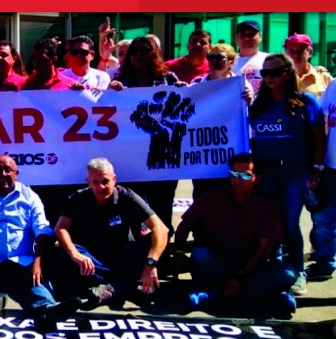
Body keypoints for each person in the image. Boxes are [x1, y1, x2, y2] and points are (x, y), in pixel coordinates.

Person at [0, 155, 80, 327]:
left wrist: (38, 262)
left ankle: (46, 309)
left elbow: (42, 229)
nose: (2, 174)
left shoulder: (30, 197)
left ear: (16, 173)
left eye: (8, 170)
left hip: (21, 262)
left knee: (37, 278)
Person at [174, 153, 296, 319]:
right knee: (199, 256)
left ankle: (214, 297)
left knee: (288, 274)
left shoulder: (267, 206)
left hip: (250, 268)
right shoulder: (211, 196)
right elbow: (184, 226)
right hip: (217, 262)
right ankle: (262, 300)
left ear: (257, 179)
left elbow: (264, 251)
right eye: (234, 174)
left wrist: (239, 278)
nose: (238, 180)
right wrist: (178, 253)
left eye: (245, 176)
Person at [249, 53, 326, 297]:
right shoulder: (259, 104)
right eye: (265, 73)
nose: (269, 77)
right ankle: (276, 267)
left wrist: (317, 169)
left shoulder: (305, 101)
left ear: (288, 73)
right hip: (267, 172)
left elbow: (319, 138)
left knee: (290, 223)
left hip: (295, 172)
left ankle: (298, 271)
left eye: (275, 72)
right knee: (270, 222)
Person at [53, 158, 168, 308]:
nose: (101, 186)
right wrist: (76, 255)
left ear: (114, 179)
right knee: (62, 250)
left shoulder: (127, 196)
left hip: (122, 256)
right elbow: (60, 229)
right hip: (91, 261)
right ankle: (124, 287)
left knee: (150, 242)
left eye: (105, 181)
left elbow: (161, 228)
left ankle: (110, 289)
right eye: (95, 182)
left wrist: (151, 264)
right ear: (88, 182)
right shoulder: (77, 199)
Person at [109, 36, 182, 239]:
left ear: (154, 53)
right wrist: (110, 92)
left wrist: (184, 90)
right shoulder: (120, 81)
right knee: (132, 209)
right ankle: (135, 252)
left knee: (162, 208)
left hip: (162, 157)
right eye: (134, 51)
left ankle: (162, 251)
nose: (139, 55)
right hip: (131, 158)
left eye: (144, 50)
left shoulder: (169, 79)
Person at [190, 43, 254, 199]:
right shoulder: (196, 85)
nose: (214, 61)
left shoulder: (243, 85)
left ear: (231, 61)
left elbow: (251, 116)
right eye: (211, 57)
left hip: (232, 153)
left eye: (219, 57)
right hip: (204, 154)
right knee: (203, 197)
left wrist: (250, 100)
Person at [310, 74, 336, 281]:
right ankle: (324, 263)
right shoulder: (334, 85)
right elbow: (324, 121)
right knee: (323, 221)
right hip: (330, 167)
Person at [284, 33, 332, 98]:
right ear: (285, 53)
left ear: (310, 52)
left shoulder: (324, 77)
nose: (295, 55)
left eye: (300, 51)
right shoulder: (278, 77)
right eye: (291, 51)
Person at [233, 20, 269, 96]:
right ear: (236, 38)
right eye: (243, 35)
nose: (247, 38)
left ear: (260, 36)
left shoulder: (270, 60)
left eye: (251, 35)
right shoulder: (229, 61)